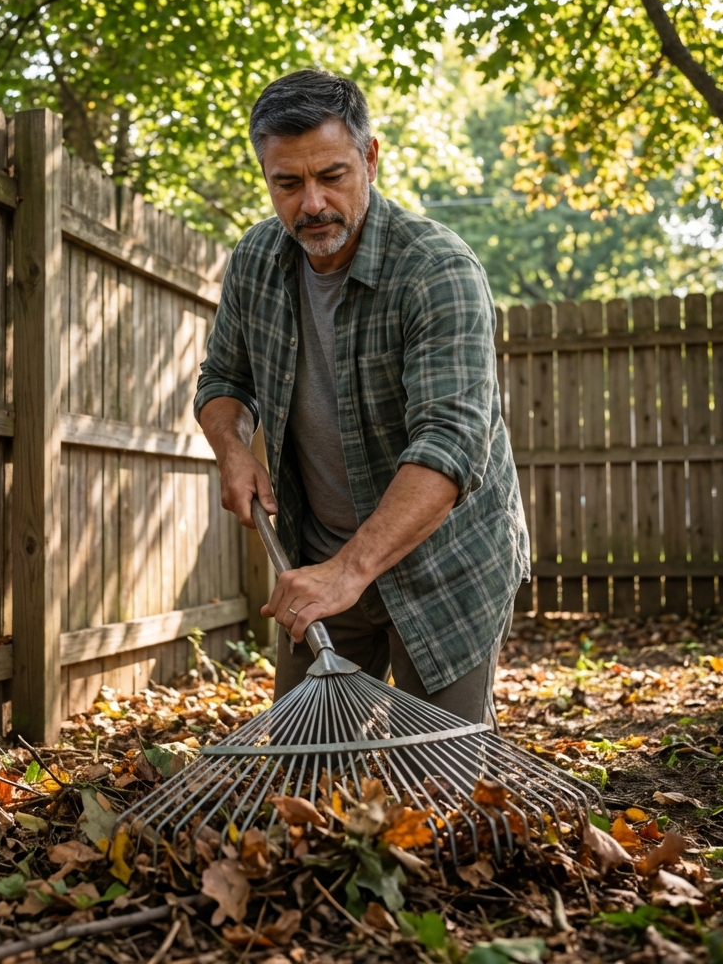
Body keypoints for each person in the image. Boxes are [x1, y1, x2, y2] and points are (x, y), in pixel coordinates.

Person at [193, 69, 530, 729]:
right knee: (304, 782)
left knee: (442, 786)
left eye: (332, 175)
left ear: (370, 159)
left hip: (444, 569)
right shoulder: (258, 261)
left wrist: (351, 571)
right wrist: (231, 448)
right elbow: (222, 381)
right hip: (319, 562)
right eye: (287, 184)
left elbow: (450, 447)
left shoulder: (436, 271)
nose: (311, 203)